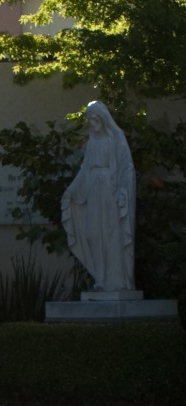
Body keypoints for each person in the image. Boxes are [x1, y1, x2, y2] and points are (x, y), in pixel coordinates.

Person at [61, 100, 136, 293]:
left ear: (103, 120)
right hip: (94, 193)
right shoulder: (92, 142)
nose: (92, 124)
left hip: (109, 192)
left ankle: (116, 282)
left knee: (112, 235)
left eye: (95, 119)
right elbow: (84, 171)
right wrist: (71, 191)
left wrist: (122, 189)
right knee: (92, 234)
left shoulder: (116, 139)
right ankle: (100, 279)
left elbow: (126, 168)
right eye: (90, 120)